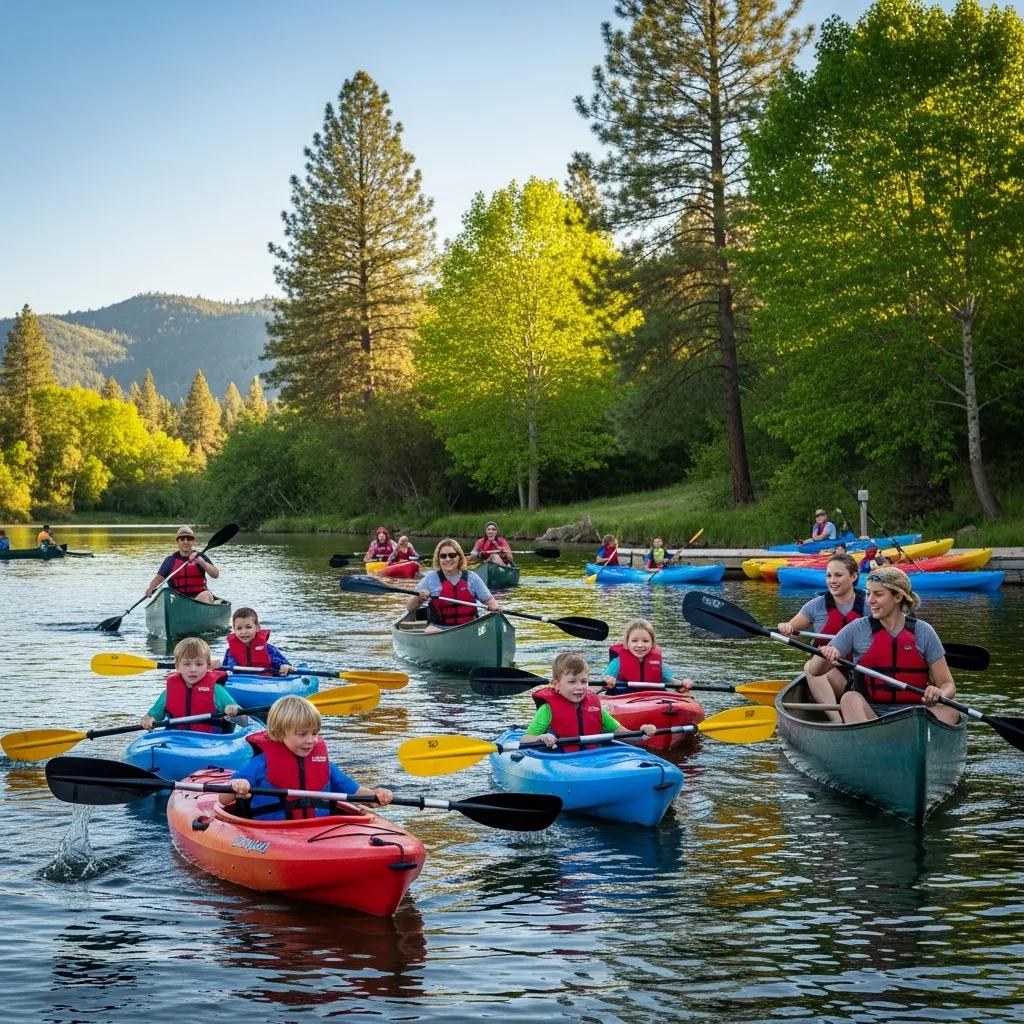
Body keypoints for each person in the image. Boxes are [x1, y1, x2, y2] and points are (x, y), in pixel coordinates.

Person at [817, 566, 960, 726]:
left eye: (878, 594)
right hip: (872, 715)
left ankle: (910, 737)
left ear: (898, 597)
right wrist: (825, 655)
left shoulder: (923, 631)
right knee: (849, 698)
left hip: (916, 715)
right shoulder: (857, 629)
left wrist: (939, 693)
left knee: (952, 711)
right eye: (869, 593)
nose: (870, 600)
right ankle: (867, 742)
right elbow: (815, 671)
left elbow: (948, 685)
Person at [220, 695, 393, 819]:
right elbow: (223, 798)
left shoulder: (324, 766)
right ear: (279, 733)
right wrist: (238, 786)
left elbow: (357, 793)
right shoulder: (261, 764)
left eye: (315, 733)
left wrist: (376, 795)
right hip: (272, 833)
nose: (311, 741)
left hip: (318, 832)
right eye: (302, 734)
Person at [778, 554, 866, 721]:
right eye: (829, 575)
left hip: (863, 676)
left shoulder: (869, 604)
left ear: (853, 577)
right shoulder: (816, 606)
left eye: (838, 575)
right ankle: (836, 720)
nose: (832, 580)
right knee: (810, 666)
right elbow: (793, 632)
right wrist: (786, 628)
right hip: (834, 676)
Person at [525, 652, 658, 752]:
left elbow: (622, 734)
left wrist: (642, 734)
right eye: (572, 682)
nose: (579, 687)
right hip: (561, 760)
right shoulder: (547, 710)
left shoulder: (595, 707)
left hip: (593, 759)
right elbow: (525, 741)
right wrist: (541, 738)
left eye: (584, 681)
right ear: (556, 684)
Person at [140, 636, 243, 732]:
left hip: (212, 743)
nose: (193, 669)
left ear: (208, 666)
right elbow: (152, 715)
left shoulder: (217, 690)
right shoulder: (168, 694)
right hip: (176, 740)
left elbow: (243, 720)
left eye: (199, 664)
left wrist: (233, 710)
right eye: (187, 664)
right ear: (177, 667)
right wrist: (148, 719)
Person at [407, 539, 499, 632]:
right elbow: (410, 608)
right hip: (439, 629)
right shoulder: (430, 579)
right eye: (443, 556)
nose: (448, 559)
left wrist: (494, 608)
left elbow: (491, 602)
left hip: (469, 628)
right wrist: (419, 598)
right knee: (431, 630)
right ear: (438, 559)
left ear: (459, 557)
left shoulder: (472, 578)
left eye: (452, 555)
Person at [602, 619, 694, 695]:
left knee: (686, 694)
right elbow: (605, 680)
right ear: (626, 643)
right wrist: (608, 680)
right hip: (624, 700)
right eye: (634, 641)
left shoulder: (657, 663)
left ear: (652, 643)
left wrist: (682, 684)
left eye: (645, 641)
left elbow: (672, 682)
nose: (640, 645)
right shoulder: (617, 662)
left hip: (652, 701)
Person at [145, 525, 220, 604]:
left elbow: (216, 575)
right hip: (177, 599)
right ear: (177, 542)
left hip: (198, 598)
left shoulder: (201, 557)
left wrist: (203, 563)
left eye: (189, 539)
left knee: (206, 595)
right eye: (182, 539)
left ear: (193, 541)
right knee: (165, 593)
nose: (186, 542)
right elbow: (158, 579)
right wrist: (150, 588)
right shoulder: (170, 560)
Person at [218, 607, 294, 676]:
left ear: (257, 628)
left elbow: (286, 665)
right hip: (240, 682)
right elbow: (224, 670)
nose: (244, 632)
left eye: (248, 627)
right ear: (234, 630)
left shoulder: (268, 649)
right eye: (239, 628)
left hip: (267, 682)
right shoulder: (230, 651)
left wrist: (285, 666)